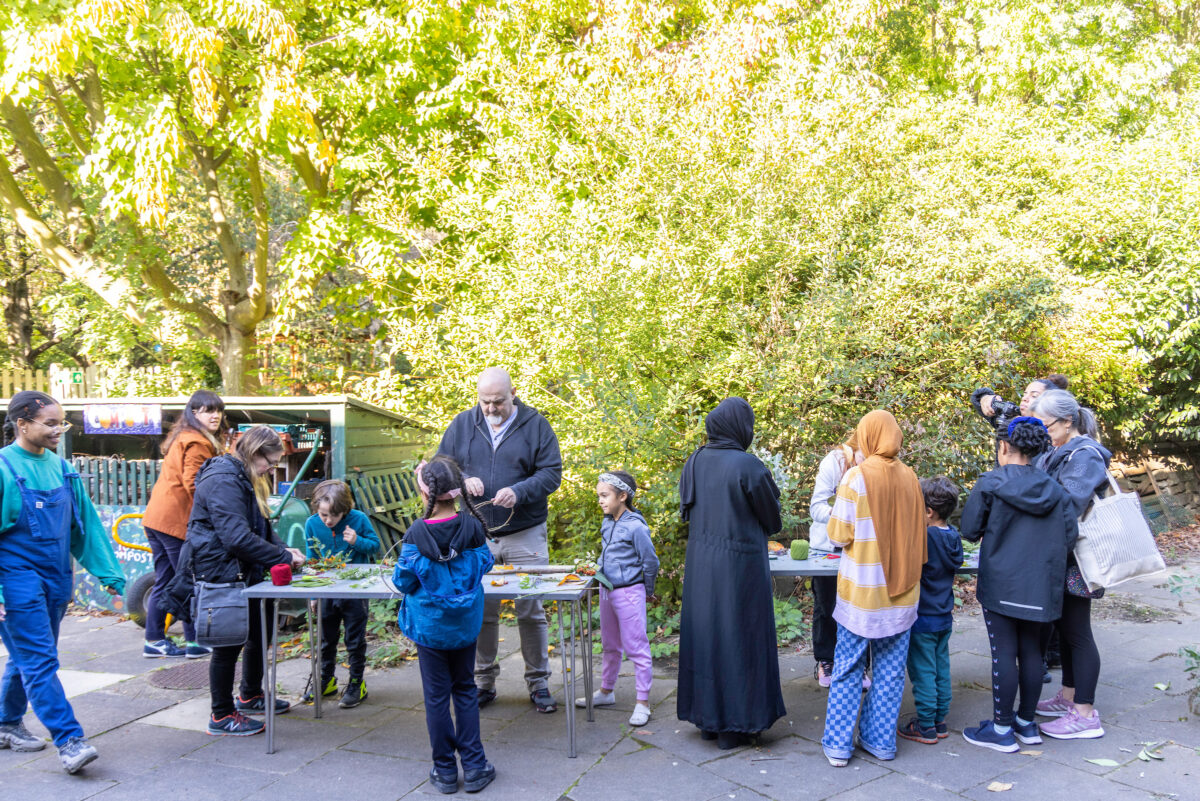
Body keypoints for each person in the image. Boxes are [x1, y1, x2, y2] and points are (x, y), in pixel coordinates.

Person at [0, 391, 126, 773]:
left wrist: (108, 572)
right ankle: (69, 740)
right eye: (50, 423)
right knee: (40, 660)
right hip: (14, 577)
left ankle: (6, 723)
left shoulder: (62, 468)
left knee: (29, 655)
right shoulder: (4, 469)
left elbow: (84, 525)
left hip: (56, 576)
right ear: (22, 424)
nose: (59, 430)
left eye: (61, 423)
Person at [436, 367, 562, 713]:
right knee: (480, 609)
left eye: (498, 402)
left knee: (531, 610)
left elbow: (552, 474)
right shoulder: (462, 424)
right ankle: (482, 682)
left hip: (525, 533)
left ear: (513, 393)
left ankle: (538, 684)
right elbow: (440, 466)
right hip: (476, 534)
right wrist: (463, 480)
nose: (490, 409)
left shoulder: (536, 424)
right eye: (485, 402)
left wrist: (520, 491)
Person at [169, 425, 306, 736]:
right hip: (220, 570)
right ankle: (221, 714)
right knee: (228, 644)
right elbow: (236, 538)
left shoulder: (242, 477)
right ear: (254, 453)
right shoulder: (223, 479)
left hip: (246, 570)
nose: (270, 470)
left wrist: (282, 548)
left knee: (259, 633)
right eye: (269, 463)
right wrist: (282, 558)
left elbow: (258, 525)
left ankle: (251, 694)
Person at [958, 417, 1077, 752]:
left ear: (1004, 446)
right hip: (1043, 587)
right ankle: (1026, 724)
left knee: (1004, 655)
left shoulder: (990, 483)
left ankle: (1000, 729)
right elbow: (1070, 537)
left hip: (1001, 585)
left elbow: (969, 529)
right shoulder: (1056, 489)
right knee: (1033, 655)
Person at [677, 397, 785, 750]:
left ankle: (709, 722)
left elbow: (687, 513)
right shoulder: (747, 466)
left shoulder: (693, 462)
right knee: (740, 640)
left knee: (707, 639)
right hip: (740, 569)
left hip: (702, 569)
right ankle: (737, 724)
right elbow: (773, 520)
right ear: (741, 427)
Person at [821, 409, 926, 767]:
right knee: (891, 671)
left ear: (866, 436)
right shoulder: (911, 476)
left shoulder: (855, 477)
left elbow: (838, 533)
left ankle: (838, 745)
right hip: (902, 595)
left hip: (861, 595)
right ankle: (880, 742)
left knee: (848, 667)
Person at [394, 456, 497, 794]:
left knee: (437, 697)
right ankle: (476, 766)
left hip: (430, 628)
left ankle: (445, 771)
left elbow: (403, 581)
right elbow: (484, 564)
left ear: (425, 491)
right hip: (464, 626)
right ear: (459, 488)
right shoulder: (472, 527)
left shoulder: (416, 533)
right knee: (465, 689)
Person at [1030, 389, 1110, 739]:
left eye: (1045, 425)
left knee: (1078, 633)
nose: (1042, 431)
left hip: (1079, 559)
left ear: (1066, 422)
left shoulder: (1086, 455)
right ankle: (1068, 696)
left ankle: (1085, 713)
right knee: (1065, 631)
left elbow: (1068, 503)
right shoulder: (1060, 449)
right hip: (1062, 556)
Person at [140, 389, 225, 659]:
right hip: (175, 521)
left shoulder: (182, 436)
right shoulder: (198, 442)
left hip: (157, 517)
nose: (215, 415)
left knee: (165, 580)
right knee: (188, 580)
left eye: (218, 410)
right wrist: (216, 516)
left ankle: (153, 639)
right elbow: (195, 484)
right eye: (208, 410)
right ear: (194, 412)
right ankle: (194, 641)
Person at [575, 470, 659, 727]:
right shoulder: (607, 522)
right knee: (610, 644)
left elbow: (651, 562)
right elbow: (608, 555)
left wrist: (647, 590)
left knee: (636, 647)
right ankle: (607, 692)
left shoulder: (636, 526)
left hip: (630, 592)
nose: (600, 500)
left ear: (622, 496)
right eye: (598, 495)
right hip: (607, 591)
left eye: (604, 495)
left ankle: (643, 703)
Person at [302, 479, 380, 709]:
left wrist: (357, 541)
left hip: (354, 591)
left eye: (333, 516)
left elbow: (374, 546)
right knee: (326, 640)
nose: (327, 520)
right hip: (326, 590)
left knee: (354, 640)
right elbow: (311, 558)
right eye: (323, 514)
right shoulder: (312, 524)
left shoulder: (359, 519)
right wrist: (314, 594)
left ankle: (357, 684)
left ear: (345, 510)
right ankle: (326, 680)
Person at [898, 477, 963, 745]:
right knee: (941, 666)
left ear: (928, 512)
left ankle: (925, 725)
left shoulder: (924, 537)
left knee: (923, 670)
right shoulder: (953, 536)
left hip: (922, 617)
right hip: (944, 615)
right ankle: (939, 719)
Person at [808, 432, 862, 688]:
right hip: (826, 547)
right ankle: (825, 660)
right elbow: (816, 507)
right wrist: (842, 513)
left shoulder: (876, 465)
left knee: (860, 605)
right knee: (826, 605)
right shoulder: (834, 462)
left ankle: (859, 665)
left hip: (862, 549)